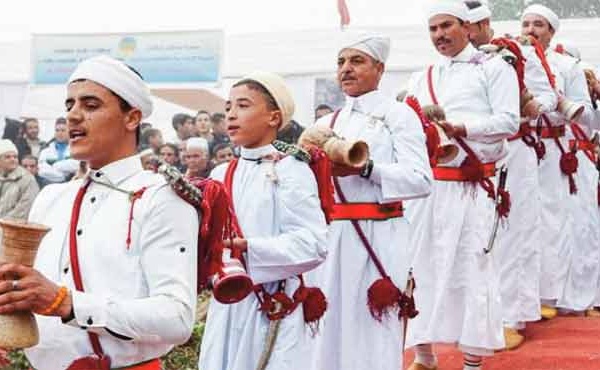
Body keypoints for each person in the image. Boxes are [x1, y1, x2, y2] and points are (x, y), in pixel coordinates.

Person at [0, 55, 198, 369]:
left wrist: (67, 302)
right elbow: (31, 293)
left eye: (90, 105)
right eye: (69, 105)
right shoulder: (51, 197)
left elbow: (177, 317)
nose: (73, 116)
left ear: (132, 118)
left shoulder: (157, 196)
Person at [405, 2, 519, 369]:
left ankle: (472, 362)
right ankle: (425, 356)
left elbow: (509, 121)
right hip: (428, 190)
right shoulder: (421, 76)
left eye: (446, 26)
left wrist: (461, 128)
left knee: (473, 270)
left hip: (472, 187)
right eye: (433, 28)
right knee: (419, 267)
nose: (439, 34)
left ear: (467, 27)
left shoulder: (494, 68)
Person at [310, 31, 432, 370]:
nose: (346, 69)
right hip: (333, 238)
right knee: (328, 327)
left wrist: (366, 170)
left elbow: (421, 180)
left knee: (374, 326)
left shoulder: (398, 115)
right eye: (341, 62)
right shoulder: (326, 122)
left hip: (381, 235)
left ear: (379, 68)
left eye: (356, 61)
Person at [199, 71, 328, 370]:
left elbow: (314, 244)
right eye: (228, 107)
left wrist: (250, 249)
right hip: (227, 306)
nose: (231, 115)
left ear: (273, 117)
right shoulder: (220, 174)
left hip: (273, 304)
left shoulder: (292, 171)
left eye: (243, 105)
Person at [465, 0, 558, 349]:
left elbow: (548, 96)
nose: (461, 34)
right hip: (471, 156)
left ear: (483, 23)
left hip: (514, 150)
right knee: (475, 234)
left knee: (514, 231)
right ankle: (479, 314)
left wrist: (534, 106)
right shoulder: (450, 63)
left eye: (466, 27)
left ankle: (512, 317)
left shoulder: (515, 52)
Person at [521, 4, 598, 320]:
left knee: (565, 224)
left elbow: (589, 117)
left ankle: (565, 295)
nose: (530, 30)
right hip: (524, 150)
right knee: (529, 224)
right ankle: (532, 296)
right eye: (525, 24)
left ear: (551, 32)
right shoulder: (506, 63)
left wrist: (555, 106)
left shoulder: (568, 67)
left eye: (538, 24)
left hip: (559, 152)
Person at [0, 139, 39, 220]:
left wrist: (2, 224)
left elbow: (24, 210)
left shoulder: (27, 179)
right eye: (7, 157)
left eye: (15, 157)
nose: (12, 159)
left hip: (13, 228)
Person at [38, 118, 79, 183]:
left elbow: (77, 165)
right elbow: (42, 171)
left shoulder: (77, 149)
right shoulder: (45, 151)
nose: (59, 133)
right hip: (49, 186)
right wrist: (62, 176)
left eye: (63, 130)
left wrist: (56, 165)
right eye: (57, 130)